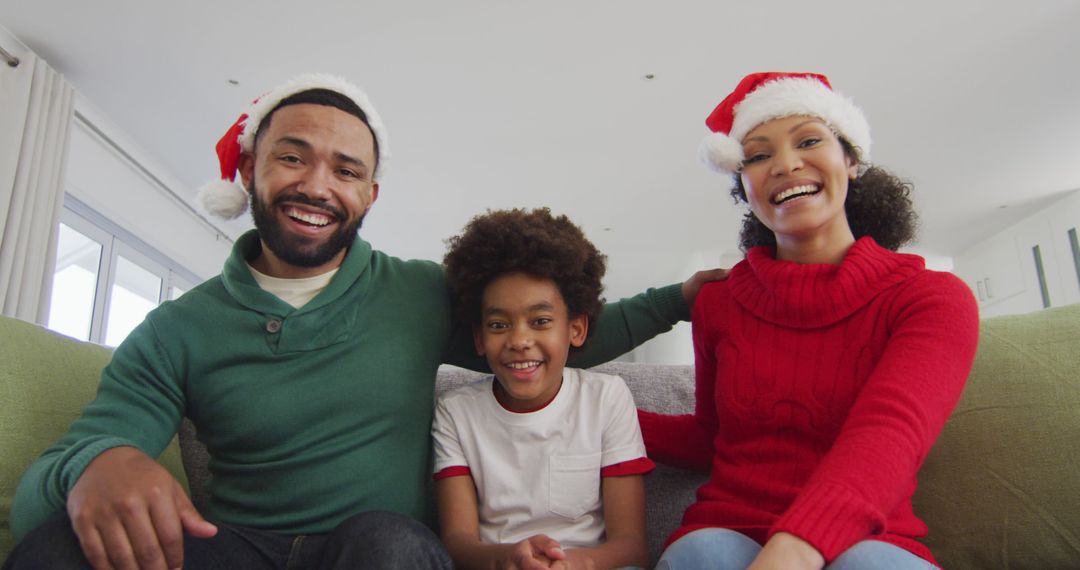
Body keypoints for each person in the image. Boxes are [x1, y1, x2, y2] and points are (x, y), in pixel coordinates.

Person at [3, 74, 719, 570]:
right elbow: (66, 466)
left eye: (345, 170)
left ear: (370, 193)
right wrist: (94, 466)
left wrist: (682, 297)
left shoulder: (415, 294)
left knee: (388, 544)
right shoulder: (176, 330)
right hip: (239, 546)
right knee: (56, 551)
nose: (317, 184)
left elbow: (559, 334)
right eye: (292, 157)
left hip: (380, 550)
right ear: (251, 168)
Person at [639, 72, 980, 570]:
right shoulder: (720, 304)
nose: (785, 163)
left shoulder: (931, 298)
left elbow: (889, 435)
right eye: (757, 155)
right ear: (744, 185)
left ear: (851, 159)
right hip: (727, 534)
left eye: (809, 140)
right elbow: (712, 437)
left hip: (868, 541)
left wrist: (792, 552)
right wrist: (578, 412)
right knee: (703, 552)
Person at [434, 208, 653, 570]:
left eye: (540, 321)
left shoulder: (607, 398)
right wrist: (509, 558)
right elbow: (458, 544)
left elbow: (631, 547)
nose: (519, 340)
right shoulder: (456, 412)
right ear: (479, 337)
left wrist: (574, 564)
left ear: (576, 328)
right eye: (499, 324)